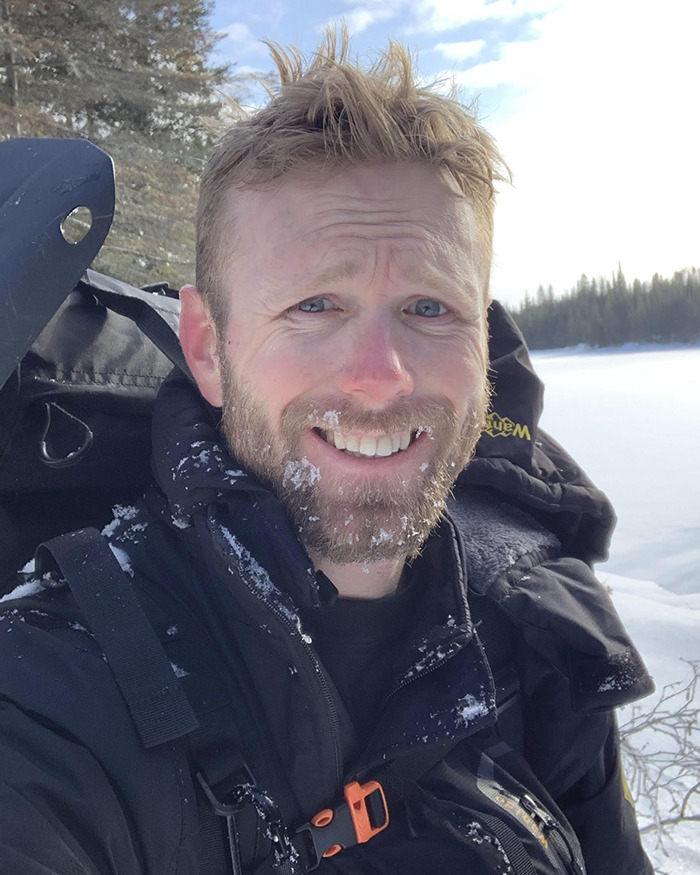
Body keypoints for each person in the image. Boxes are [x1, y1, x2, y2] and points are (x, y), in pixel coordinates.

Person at [0, 31, 654, 874]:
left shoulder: (534, 632)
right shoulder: (54, 686)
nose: (380, 379)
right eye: (314, 304)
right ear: (207, 345)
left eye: (429, 308)